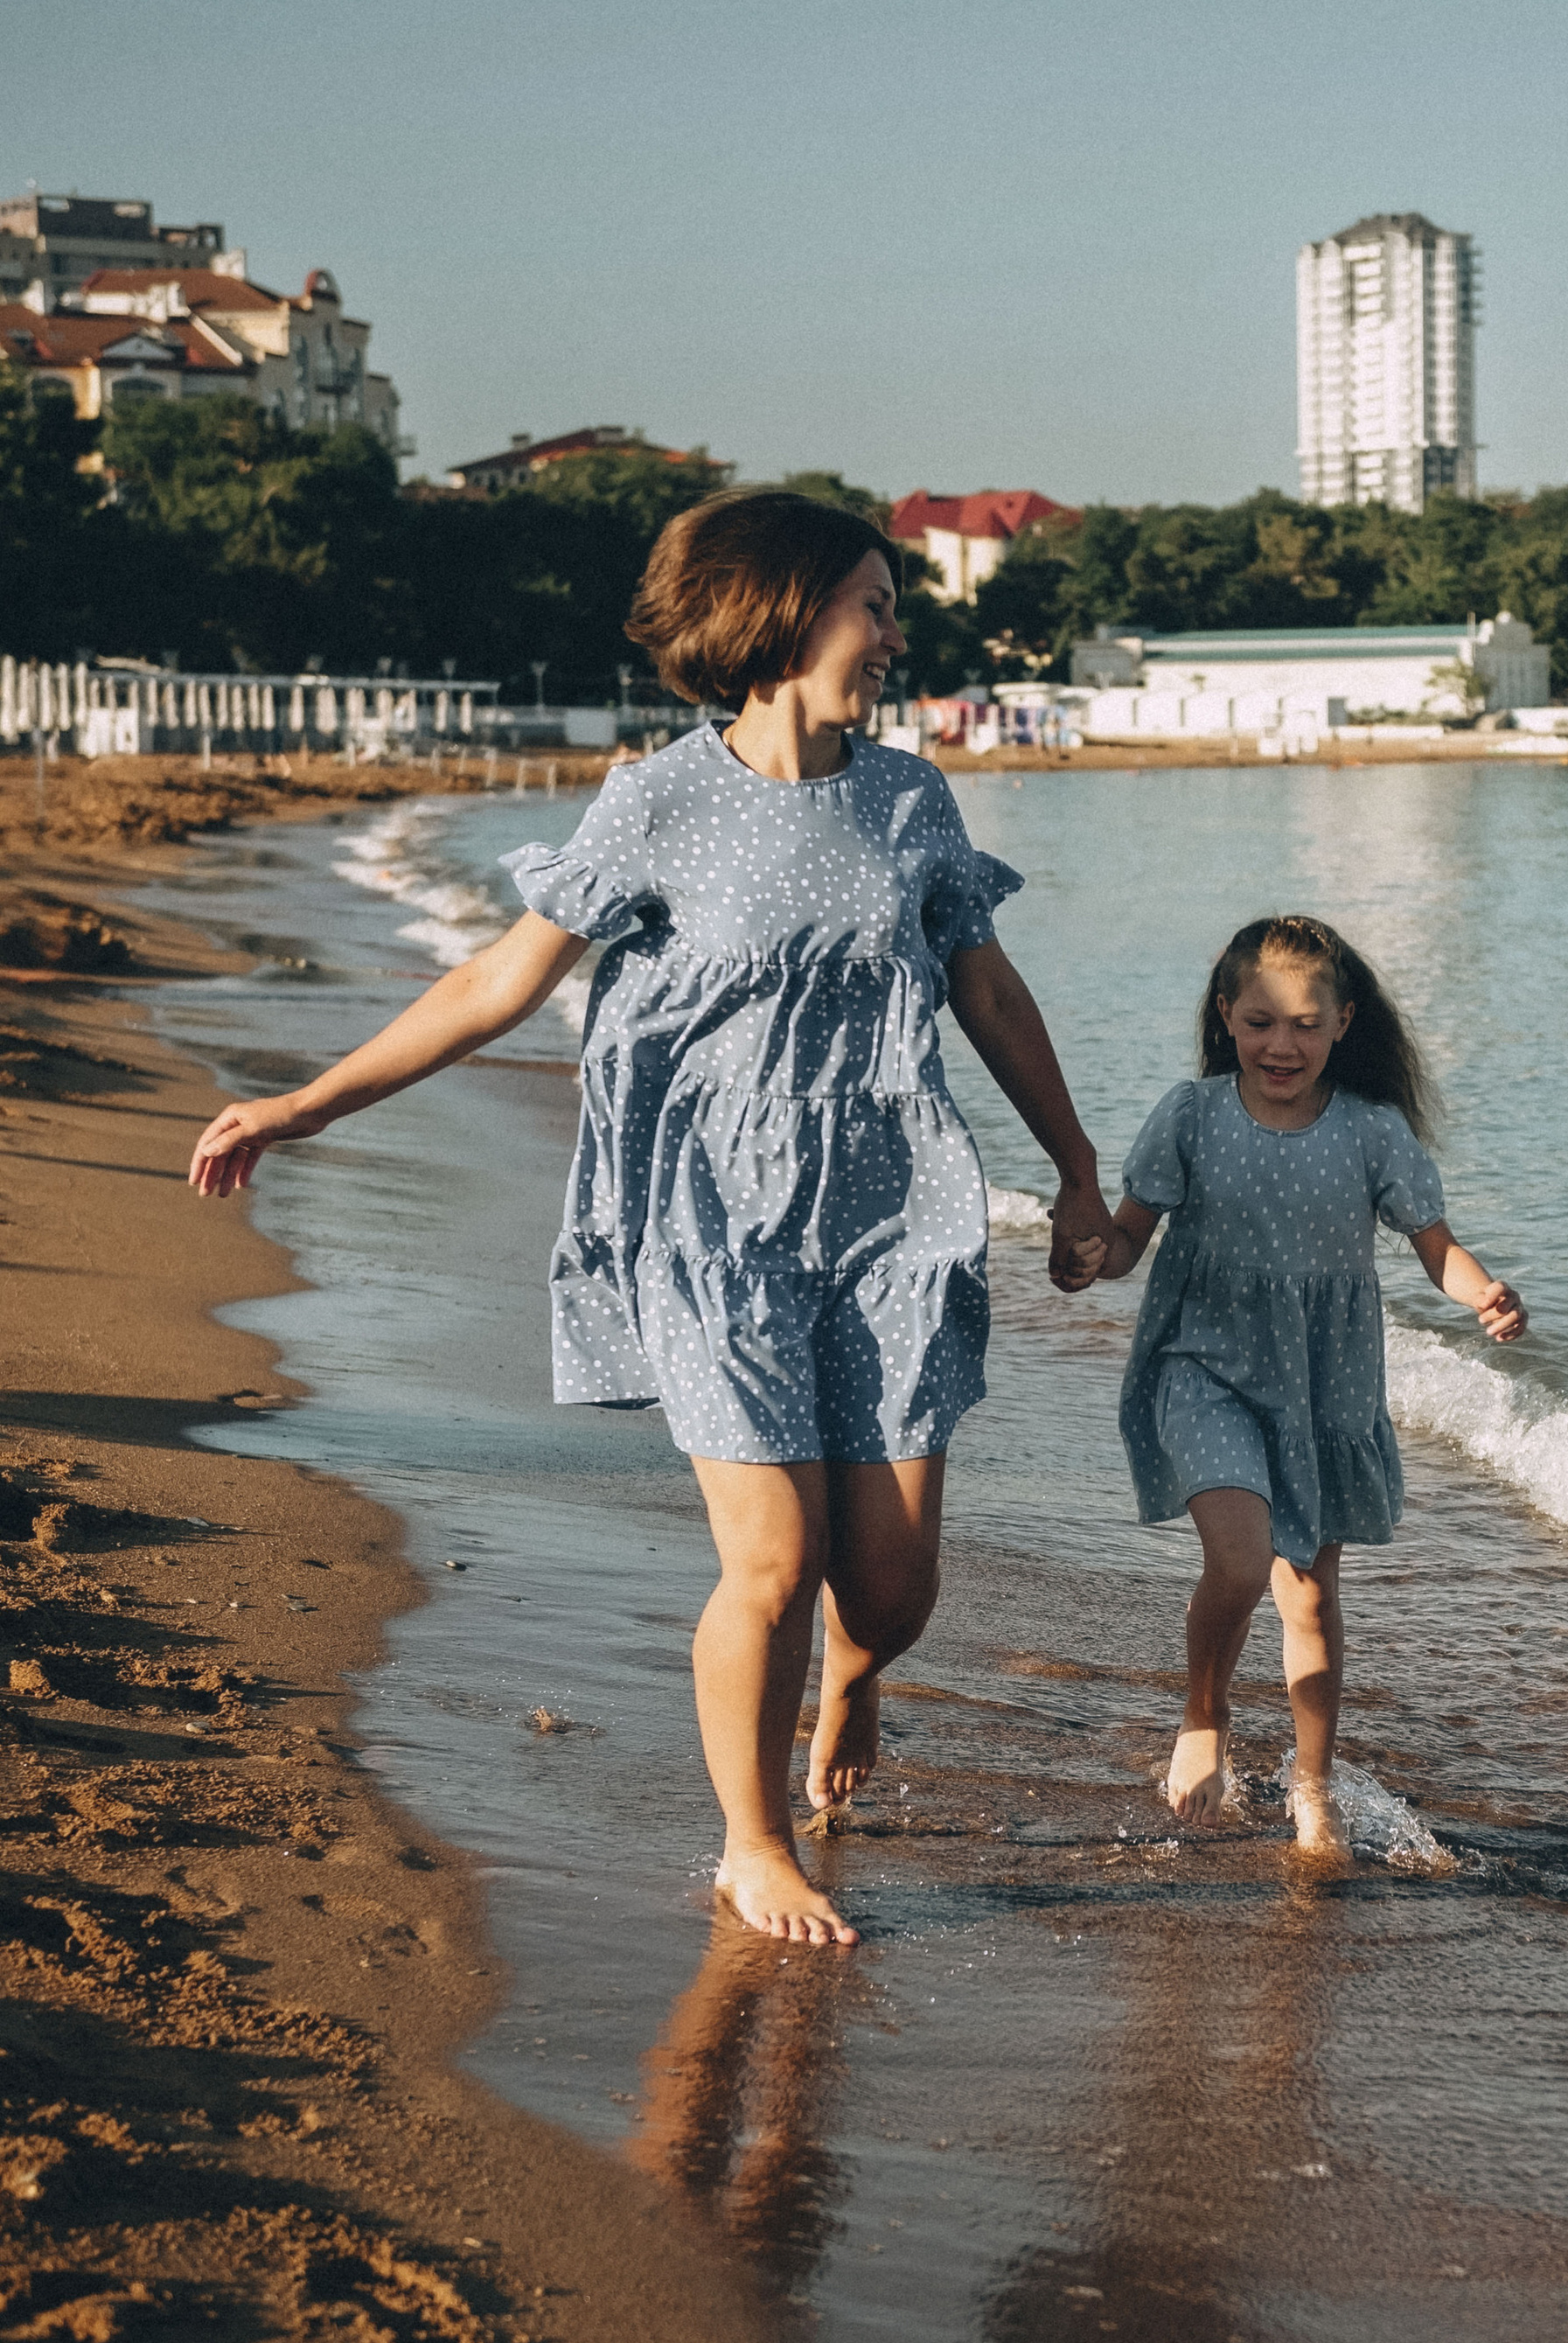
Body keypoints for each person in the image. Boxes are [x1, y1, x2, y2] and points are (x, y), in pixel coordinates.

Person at [189, 491, 1112, 1949]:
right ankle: (754, 1845)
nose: (892, 630)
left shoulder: (910, 798)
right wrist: (302, 1107)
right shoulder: (658, 802)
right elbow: (497, 985)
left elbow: (985, 993)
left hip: (889, 1214)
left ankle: (852, 1683)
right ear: (792, 612)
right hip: (714, 1223)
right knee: (771, 1562)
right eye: (875, 601)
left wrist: (1074, 1170)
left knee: (892, 1583)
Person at [1067, 911, 1524, 1854]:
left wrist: (1481, 1292)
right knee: (1238, 1560)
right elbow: (1125, 1241)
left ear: (1343, 1023)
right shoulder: (1190, 1115)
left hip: (1322, 1384)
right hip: (1204, 1363)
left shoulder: (1371, 1132)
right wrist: (1088, 1255)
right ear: (1227, 1016)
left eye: (1306, 1023)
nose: (1283, 1043)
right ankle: (1205, 1716)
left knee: (1308, 1593)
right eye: (1261, 1021)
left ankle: (1311, 1783)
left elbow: (1432, 1248)